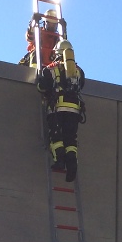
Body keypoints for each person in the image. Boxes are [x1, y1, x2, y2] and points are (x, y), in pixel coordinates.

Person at [37, 39, 85, 183]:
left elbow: (42, 87)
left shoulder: (51, 69)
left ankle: (59, 161)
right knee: (70, 138)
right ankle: (72, 165)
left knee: (56, 136)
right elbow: (81, 86)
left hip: (57, 107)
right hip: (74, 109)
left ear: (57, 54)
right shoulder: (79, 71)